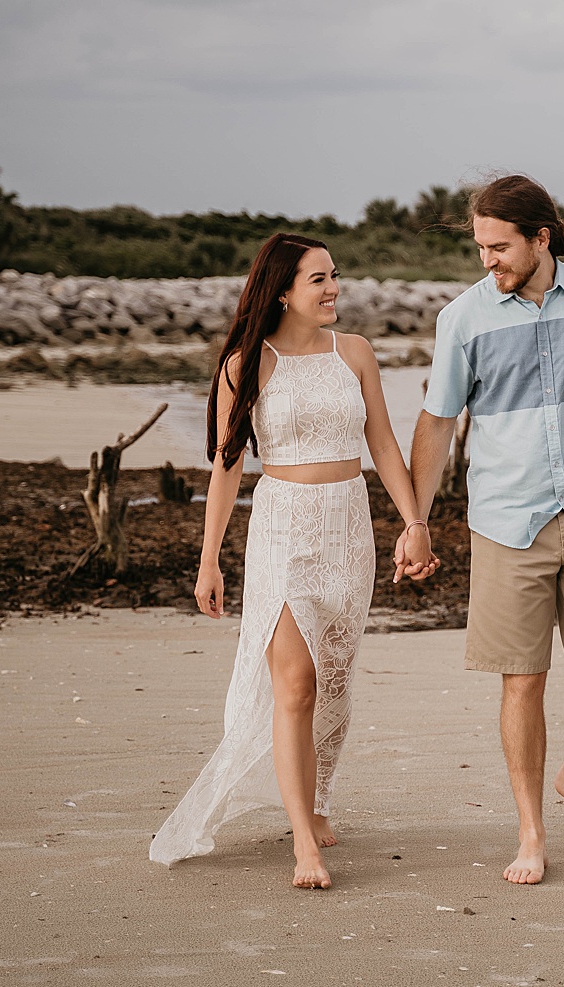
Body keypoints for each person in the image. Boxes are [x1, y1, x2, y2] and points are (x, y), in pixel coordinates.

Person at [150, 233, 432, 888]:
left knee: (334, 678)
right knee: (297, 683)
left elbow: (384, 444)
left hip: (349, 527)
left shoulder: (355, 353)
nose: (334, 288)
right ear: (281, 290)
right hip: (283, 531)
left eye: (335, 276)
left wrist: (414, 522)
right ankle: (305, 840)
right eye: (318, 280)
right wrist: (208, 560)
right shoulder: (247, 364)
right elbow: (225, 466)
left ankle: (318, 796)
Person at [403, 174, 564, 885]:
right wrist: (415, 522)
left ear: (540, 237)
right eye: (480, 246)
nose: (487, 259)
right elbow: (437, 420)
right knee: (523, 681)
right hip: (506, 520)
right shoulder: (464, 318)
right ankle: (530, 829)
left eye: (499, 245)